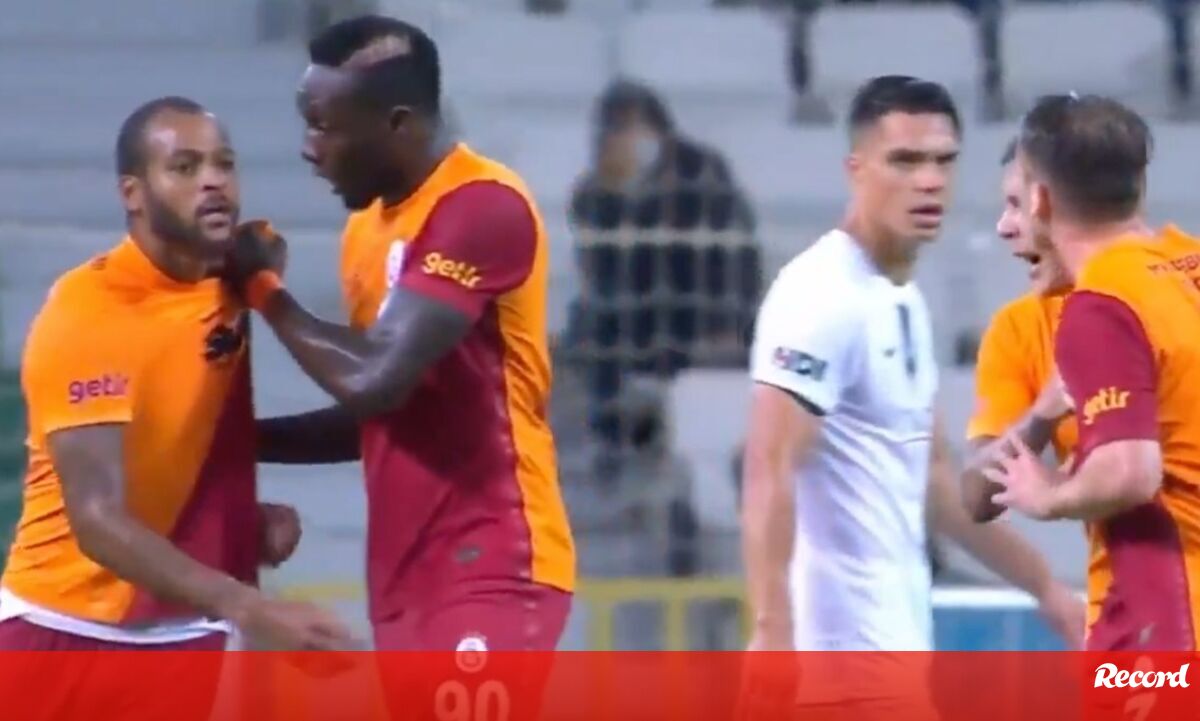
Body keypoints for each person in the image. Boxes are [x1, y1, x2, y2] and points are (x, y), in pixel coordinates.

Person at [226, 16, 575, 654]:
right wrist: (234, 440)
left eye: (324, 126)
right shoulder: (365, 231)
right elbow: (382, 415)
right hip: (404, 573)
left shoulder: (482, 206)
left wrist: (262, 289)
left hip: (492, 559)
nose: (309, 148)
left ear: (397, 123)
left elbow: (372, 381)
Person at [0, 96, 353, 717]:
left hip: (190, 635)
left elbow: (181, 427)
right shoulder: (91, 314)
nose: (213, 180)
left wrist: (238, 517)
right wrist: (249, 605)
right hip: (63, 630)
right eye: (184, 167)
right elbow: (97, 520)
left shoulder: (238, 273)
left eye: (224, 163)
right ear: (133, 193)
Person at [739, 75, 1081, 709]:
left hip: (891, 666)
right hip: (831, 675)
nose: (928, 180)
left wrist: (1048, 589)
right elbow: (769, 466)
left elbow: (935, 486)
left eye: (943, 161)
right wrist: (773, 633)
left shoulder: (902, 300)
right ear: (857, 170)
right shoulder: (819, 294)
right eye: (904, 161)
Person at [985, 94, 1200, 651]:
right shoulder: (1188, 268)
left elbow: (1128, 473)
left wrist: (1048, 495)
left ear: (1040, 198)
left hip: (1166, 624)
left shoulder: (1101, 304)